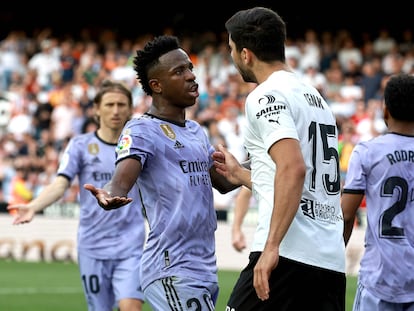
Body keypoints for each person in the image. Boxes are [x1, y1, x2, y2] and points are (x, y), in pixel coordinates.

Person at [83, 35, 238, 311]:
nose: (192, 76)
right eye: (179, 71)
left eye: (190, 68)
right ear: (156, 85)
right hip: (170, 267)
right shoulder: (141, 129)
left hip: (203, 266)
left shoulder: (195, 131)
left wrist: (270, 159)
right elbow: (121, 180)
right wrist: (110, 194)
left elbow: (224, 182)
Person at [212, 7, 346, 310]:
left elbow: (294, 168)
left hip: (288, 255)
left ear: (246, 54)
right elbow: (301, 175)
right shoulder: (315, 97)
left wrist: (271, 246)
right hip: (328, 261)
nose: (233, 60)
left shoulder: (265, 96)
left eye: (232, 51)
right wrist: (241, 175)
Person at [8, 80, 146, 311]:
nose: (115, 110)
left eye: (121, 104)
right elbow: (61, 184)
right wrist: (33, 206)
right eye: (109, 104)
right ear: (96, 109)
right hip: (92, 245)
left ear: (130, 109)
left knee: (131, 307)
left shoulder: (140, 146)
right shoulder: (80, 145)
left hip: (130, 245)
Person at [342, 73, 414, 310]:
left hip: (378, 278)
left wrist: (335, 254)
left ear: (385, 112)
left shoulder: (367, 152)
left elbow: (346, 214)